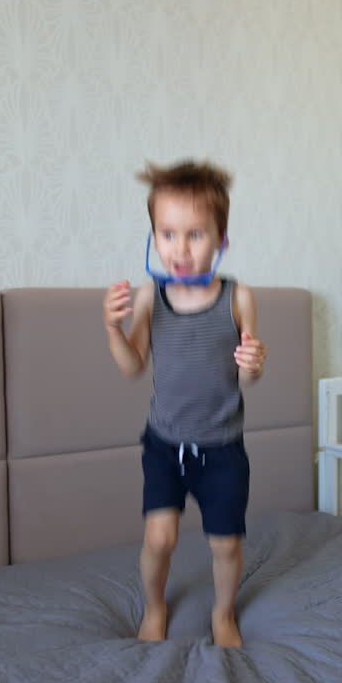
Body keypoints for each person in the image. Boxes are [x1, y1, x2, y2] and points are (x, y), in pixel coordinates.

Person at [102, 160, 266, 648]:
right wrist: (112, 329)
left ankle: (223, 615)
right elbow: (133, 366)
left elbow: (247, 376)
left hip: (222, 448)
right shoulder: (151, 296)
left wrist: (254, 363)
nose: (180, 247)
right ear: (154, 237)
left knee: (226, 544)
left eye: (195, 234)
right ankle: (154, 605)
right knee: (160, 539)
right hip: (165, 444)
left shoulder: (239, 298)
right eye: (168, 234)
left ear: (222, 241)